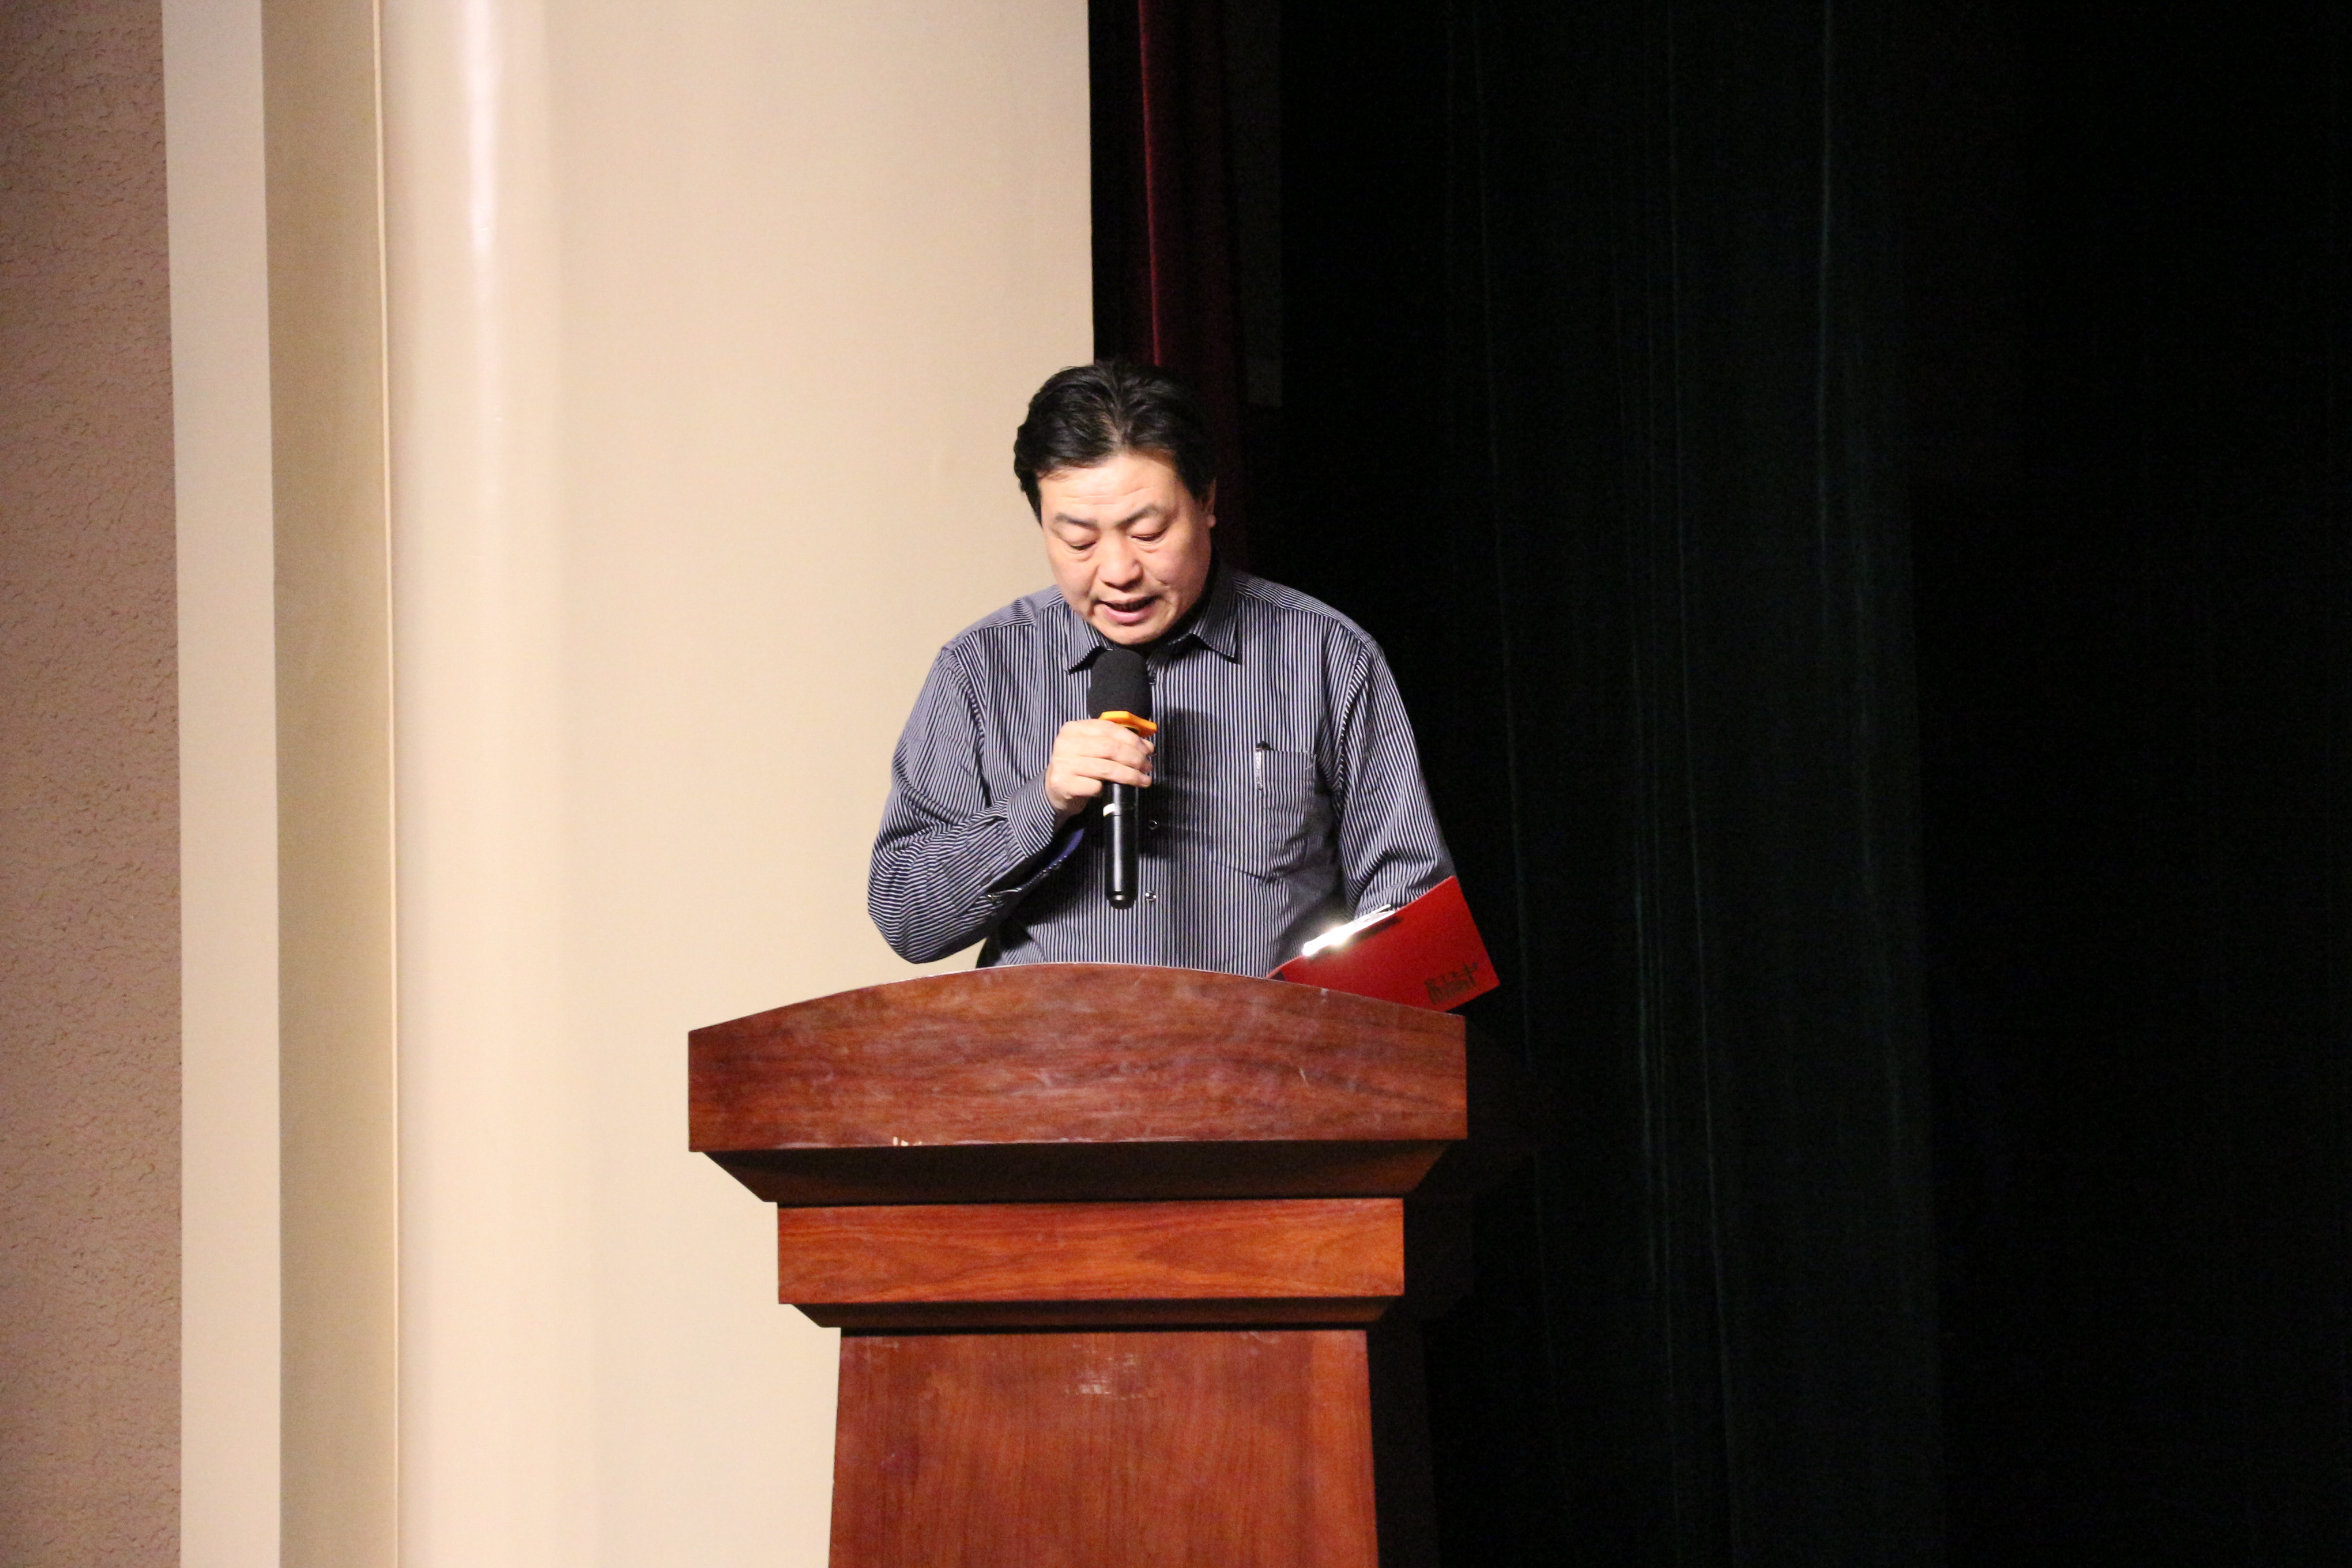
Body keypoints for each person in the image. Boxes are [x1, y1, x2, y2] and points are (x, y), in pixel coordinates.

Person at [868, 360, 1453, 976]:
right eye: (1079, 541)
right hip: (1051, 1042)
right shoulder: (980, 669)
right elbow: (908, 918)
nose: (1118, 571)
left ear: (1207, 501)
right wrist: (1044, 804)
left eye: (1148, 532)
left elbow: (1411, 915)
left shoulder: (1327, 655)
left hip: (1262, 1039)